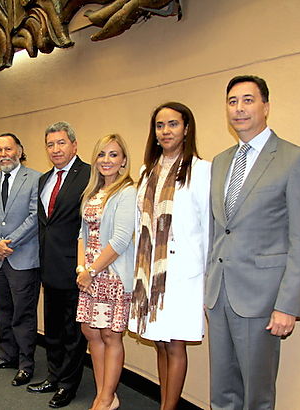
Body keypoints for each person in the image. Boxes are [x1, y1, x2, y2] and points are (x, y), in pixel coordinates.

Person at [206, 75, 300, 409]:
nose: (239, 109)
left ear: (266, 107)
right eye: (232, 101)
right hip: (220, 293)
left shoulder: (294, 159)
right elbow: (219, 230)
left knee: (257, 393)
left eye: (248, 100)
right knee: (222, 389)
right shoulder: (221, 161)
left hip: (262, 299)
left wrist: (288, 304)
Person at [128, 102, 210, 410]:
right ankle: (165, 402)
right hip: (149, 273)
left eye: (173, 124)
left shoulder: (201, 170)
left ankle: (169, 408)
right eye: (160, 125)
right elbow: (140, 225)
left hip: (183, 274)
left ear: (186, 128)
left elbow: (208, 228)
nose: (166, 131)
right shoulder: (146, 172)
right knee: (160, 342)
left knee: (175, 343)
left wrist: (206, 279)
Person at [29, 122, 90, 408]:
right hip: (48, 264)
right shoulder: (44, 180)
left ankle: (68, 384)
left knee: (72, 331)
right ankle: (54, 375)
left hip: (76, 267)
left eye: (61, 143)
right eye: (51, 144)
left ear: (74, 145)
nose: (56, 149)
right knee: (52, 327)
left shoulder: (89, 175)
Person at [76, 134, 136, 410]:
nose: (107, 160)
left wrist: (92, 270)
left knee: (111, 335)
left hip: (111, 273)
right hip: (88, 273)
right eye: (102, 154)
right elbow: (82, 233)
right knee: (91, 332)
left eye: (113, 154)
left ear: (123, 160)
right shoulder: (92, 192)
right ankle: (104, 394)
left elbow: (121, 239)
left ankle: (107, 396)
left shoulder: (126, 192)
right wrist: (81, 268)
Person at [0, 133, 41, 387]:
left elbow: (35, 216)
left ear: (20, 150)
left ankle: (26, 364)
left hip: (22, 258)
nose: (3, 154)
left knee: (23, 314)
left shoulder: (35, 179)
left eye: (8, 149)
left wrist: (8, 243)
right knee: (3, 310)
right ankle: (8, 355)